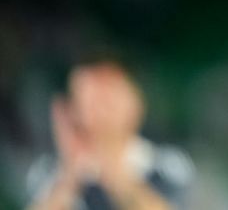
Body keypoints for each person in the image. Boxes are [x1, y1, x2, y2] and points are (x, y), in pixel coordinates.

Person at [26, 60, 193, 210]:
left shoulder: (166, 165)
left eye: (109, 99)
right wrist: (70, 178)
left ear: (136, 104)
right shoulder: (49, 172)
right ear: (72, 110)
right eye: (92, 99)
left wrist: (112, 169)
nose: (102, 111)